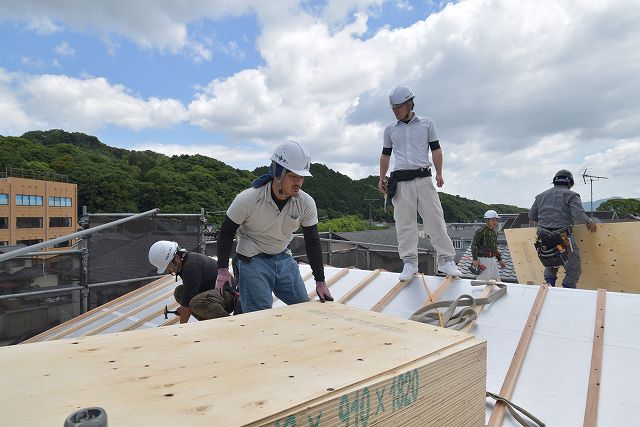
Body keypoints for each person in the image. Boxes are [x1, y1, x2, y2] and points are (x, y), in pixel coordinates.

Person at [214, 140, 333, 313]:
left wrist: (320, 282)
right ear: (278, 173)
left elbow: (313, 241)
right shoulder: (249, 199)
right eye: (293, 176)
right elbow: (225, 232)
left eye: (302, 177)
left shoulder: (305, 202)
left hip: (283, 257)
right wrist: (223, 270)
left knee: (303, 307)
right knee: (260, 314)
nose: (298, 183)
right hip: (252, 260)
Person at [378, 85, 463, 281]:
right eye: (393, 108)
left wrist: (439, 172)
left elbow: (436, 149)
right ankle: (409, 263)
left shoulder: (427, 123)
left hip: (424, 178)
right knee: (404, 224)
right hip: (400, 181)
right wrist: (381, 178)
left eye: (398, 106)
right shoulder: (390, 129)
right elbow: (385, 155)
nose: (395, 111)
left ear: (410, 104)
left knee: (435, 220)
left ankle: (446, 261)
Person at [528, 169, 597, 288]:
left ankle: (548, 290)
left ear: (554, 181)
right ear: (570, 182)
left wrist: (547, 222)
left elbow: (532, 216)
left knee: (550, 262)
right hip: (562, 236)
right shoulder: (571, 195)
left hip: (543, 235)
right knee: (573, 268)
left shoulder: (540, 196)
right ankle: (567, 292)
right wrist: (589, 221)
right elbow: (578, 214)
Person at [148, 240, 241, 323]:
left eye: (168, 267)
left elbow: (188, 301)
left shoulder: (191, 266)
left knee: (197, 303)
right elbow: (188, 295)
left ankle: (228, 324)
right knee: (180, 292)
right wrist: (185, 309)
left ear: (176, 258)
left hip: (229, 297)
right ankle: (209, 322)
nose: (169, 271)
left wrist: (181, 330)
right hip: (216, 295)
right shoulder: (185, 262)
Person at [471, 210, 506, 281]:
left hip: (492, 259)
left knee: (496, 279)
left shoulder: (495, 232)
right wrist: (475, 259)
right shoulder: (480, 231)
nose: (495, 222)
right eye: (493, 220)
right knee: (482, 281)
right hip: (482, 259)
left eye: (496, 220)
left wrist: (500, 259)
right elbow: (473, 245)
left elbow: (494, 247)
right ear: (487, 220)